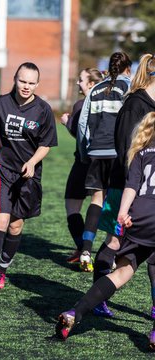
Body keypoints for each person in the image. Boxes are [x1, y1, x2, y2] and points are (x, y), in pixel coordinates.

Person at [54, 111, 155, 350]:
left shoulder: (140, 153)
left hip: (138, 216)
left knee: (121, 273)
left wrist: (123, 213)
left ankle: (75, 312)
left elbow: (132, 186)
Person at [0, 62, 58, 293]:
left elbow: (46, 143)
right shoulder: (1, 103)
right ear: (15, 79)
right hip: (2, 169)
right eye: (22, 81)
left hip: (27, 175)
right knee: (0, 220)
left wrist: (32, 161)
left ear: (37, 84)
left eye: (31, 83)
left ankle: (2, 269)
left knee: (16, 226)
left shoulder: (43, 110)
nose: (26, 86)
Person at [93, 53, 155, 317]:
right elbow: (125, 151)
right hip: (126, 187)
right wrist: (136, 189)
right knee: (115, 242)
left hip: (148, 194)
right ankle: (96, 297)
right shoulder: (134, 105)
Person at [76, 52, 132, 273]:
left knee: (96, 201)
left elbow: (83, 123)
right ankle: (112, 253)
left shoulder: (97, 88)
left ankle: (86, 250)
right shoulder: (128, 87)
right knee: (118, 202)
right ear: (128, 68)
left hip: (96, 152)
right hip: (118, 153)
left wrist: (83, 152)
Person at [60, 68, 103, 265]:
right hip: (102, 162)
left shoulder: (80, 104)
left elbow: (80, 137)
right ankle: (88, 250)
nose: (78, 83)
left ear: (91, 84)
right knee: (98, 202)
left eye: (81, 80)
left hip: (83, 162)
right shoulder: (107, 104)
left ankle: (82, 249)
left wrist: (67, 123)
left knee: (72, 205)